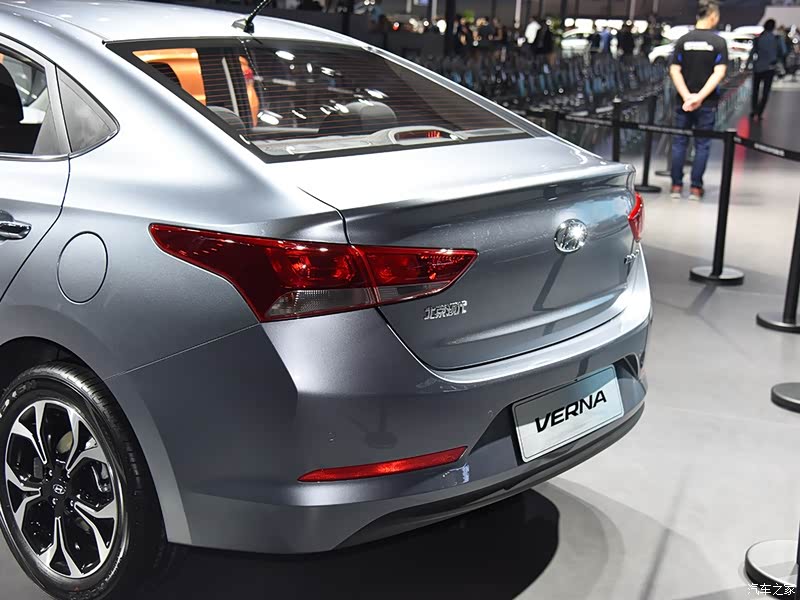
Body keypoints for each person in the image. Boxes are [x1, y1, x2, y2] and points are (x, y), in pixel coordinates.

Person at [669, 0, 728, 201]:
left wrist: (687, 96)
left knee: (679, 143)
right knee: (702, 144)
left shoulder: (683, 40)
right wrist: (699, 97)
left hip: (682, 102)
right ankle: (695, 188)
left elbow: (674, 70)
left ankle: (676, 186)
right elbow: (719, 73)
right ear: (713, 17)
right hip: (707, 103)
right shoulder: (718, 43)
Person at [748, 19, 784, 120]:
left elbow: (752, 53)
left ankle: (754, 110)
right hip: (770, 68)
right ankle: (760, 112)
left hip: (758, 67)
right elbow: (783, 51)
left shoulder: (759, 38)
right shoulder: (776, 39)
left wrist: (748, 64)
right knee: (765, 92)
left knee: (755, 90)